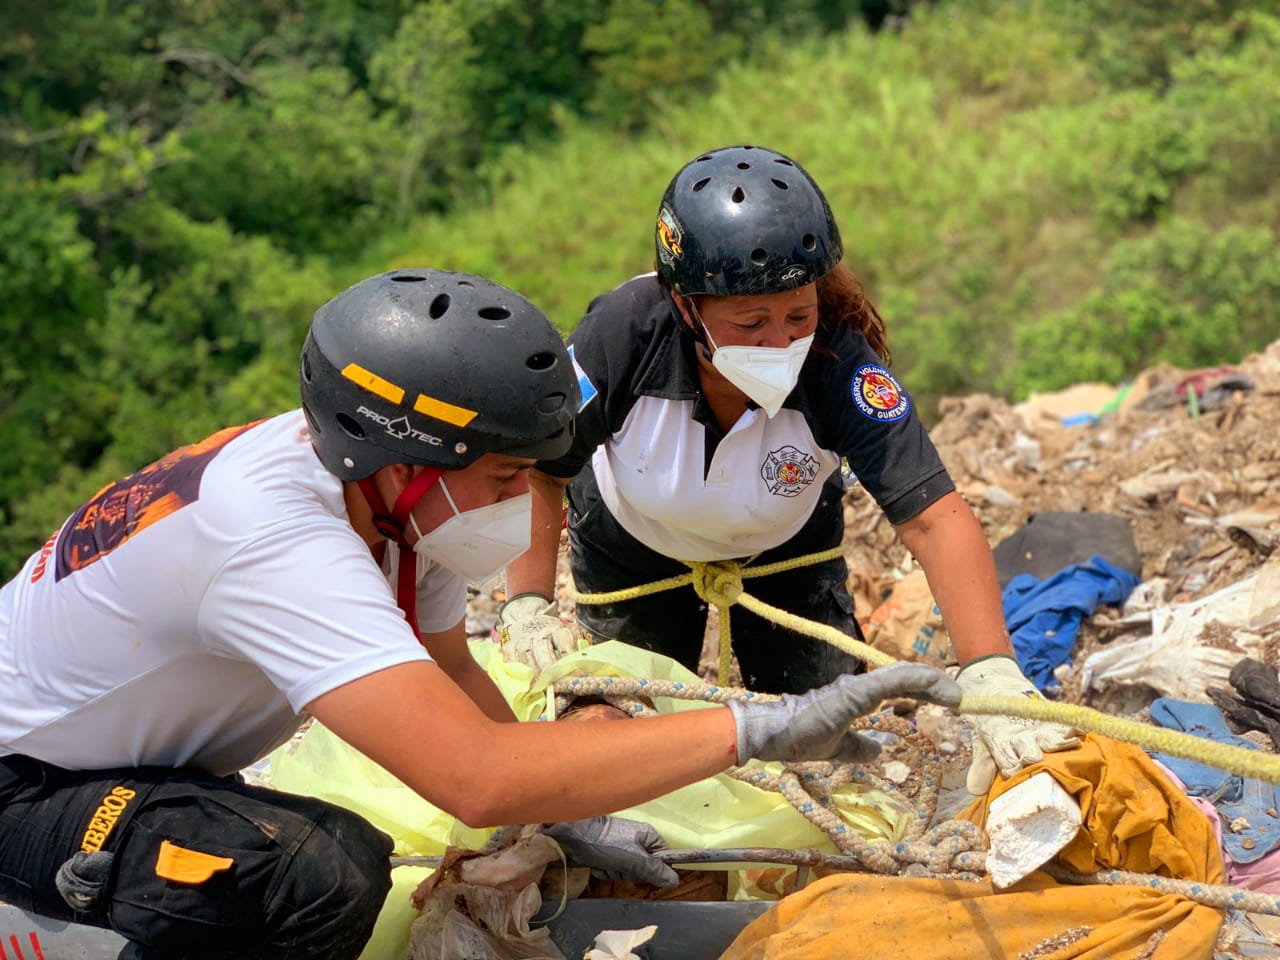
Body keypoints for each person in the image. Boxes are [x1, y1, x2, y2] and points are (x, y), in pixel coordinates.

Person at [0, 267, 963, 960]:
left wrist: (569, 820)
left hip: (120, 760)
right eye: (503, 474)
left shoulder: (378, 498)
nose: (515, 500)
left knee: (306, 862)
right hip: (26, 785)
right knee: (310, 874)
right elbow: (476, 780)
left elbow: (452, 671)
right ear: (412, 462)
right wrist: (758, 729)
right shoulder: (275, 541)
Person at [500, 144, 1078, 796]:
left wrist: (991, 669)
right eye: (751, 322)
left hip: (786, 548)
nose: (781, 343)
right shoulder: (621, 336)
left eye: (797, 315)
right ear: (687, 307)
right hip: (633, 544)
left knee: (828, 752)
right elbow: (538, 474)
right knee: (632, 747)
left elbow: (933, 518)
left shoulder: (837, 363)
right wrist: (525, 603)